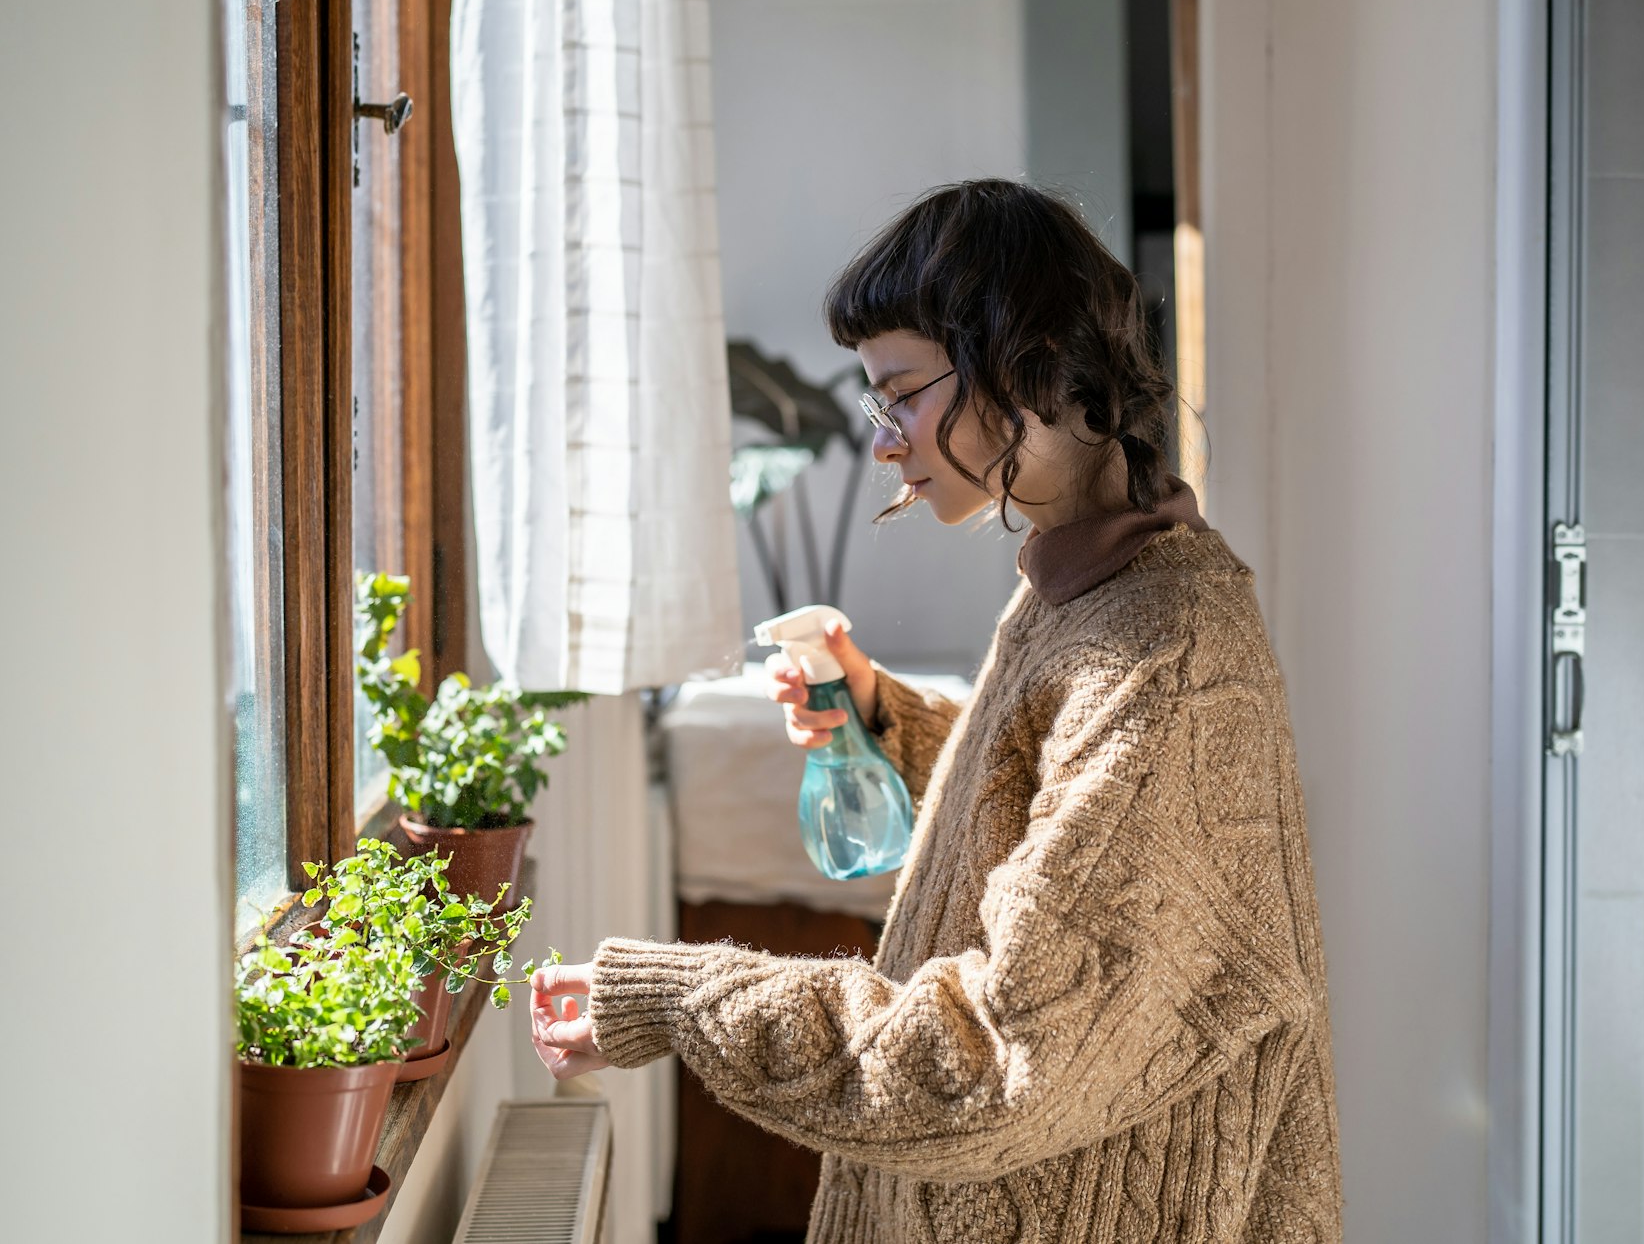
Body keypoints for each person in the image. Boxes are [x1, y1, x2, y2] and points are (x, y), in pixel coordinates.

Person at [529, 179, 1341, 1241]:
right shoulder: (1093, 587)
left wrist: (674, 996)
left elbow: (991, 1053)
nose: (882, 440)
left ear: (1024, 363)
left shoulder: (1164, 649)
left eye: (901, 392)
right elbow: (1064, 823)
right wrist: (888, 719)